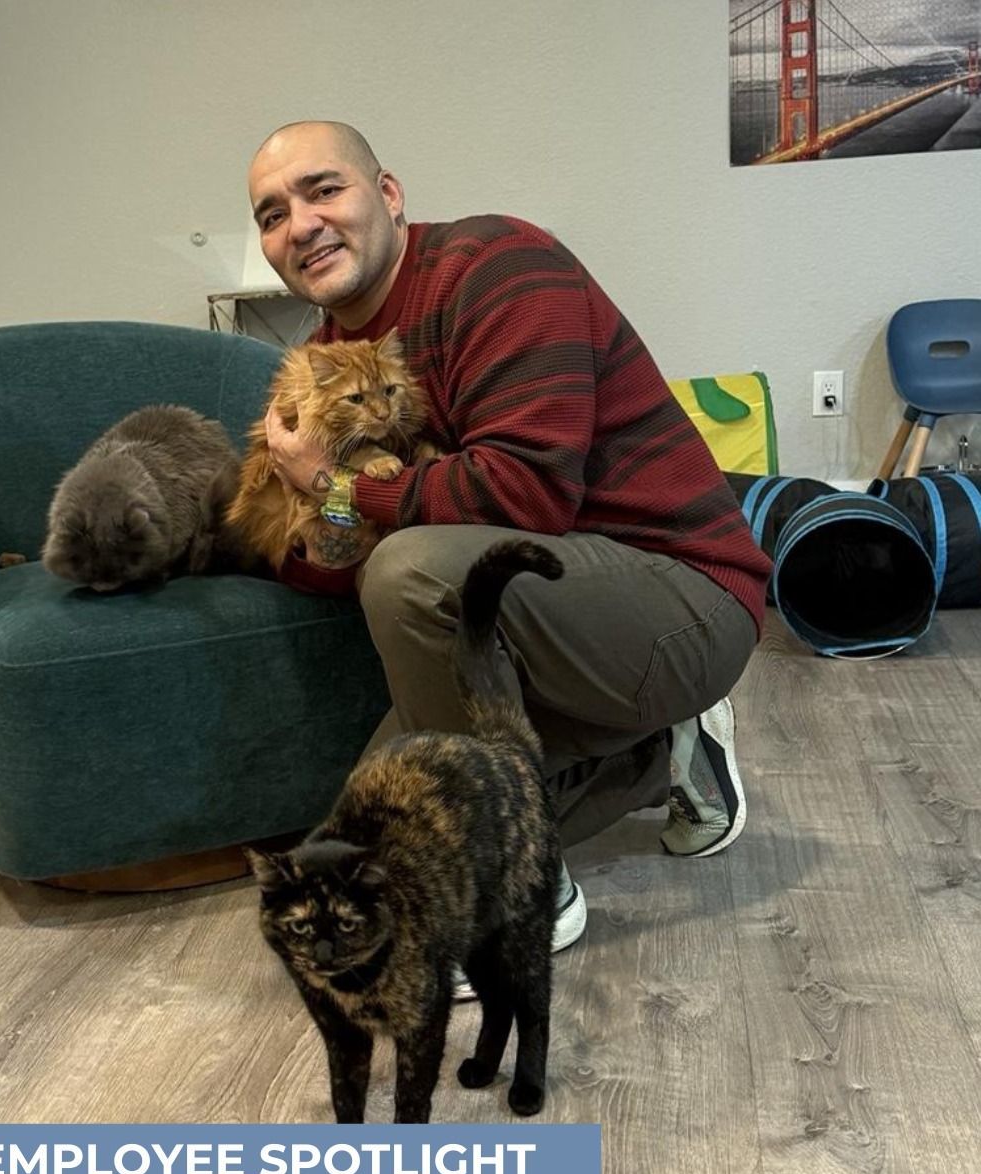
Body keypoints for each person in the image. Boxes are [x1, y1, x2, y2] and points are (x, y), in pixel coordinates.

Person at [246, 120, 773, 980]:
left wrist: (332, 488)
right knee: (356, 837)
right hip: (519, 618)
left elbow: (525, 493)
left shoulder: (502, 266)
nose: (298, 225)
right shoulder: (316, 365)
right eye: (271, 214)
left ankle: (515, 886)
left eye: (323, 190)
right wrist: (302, 527)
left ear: (388, 195)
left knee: (411, 570)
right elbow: (330, 561)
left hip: (679, 592)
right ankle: (659, 753)